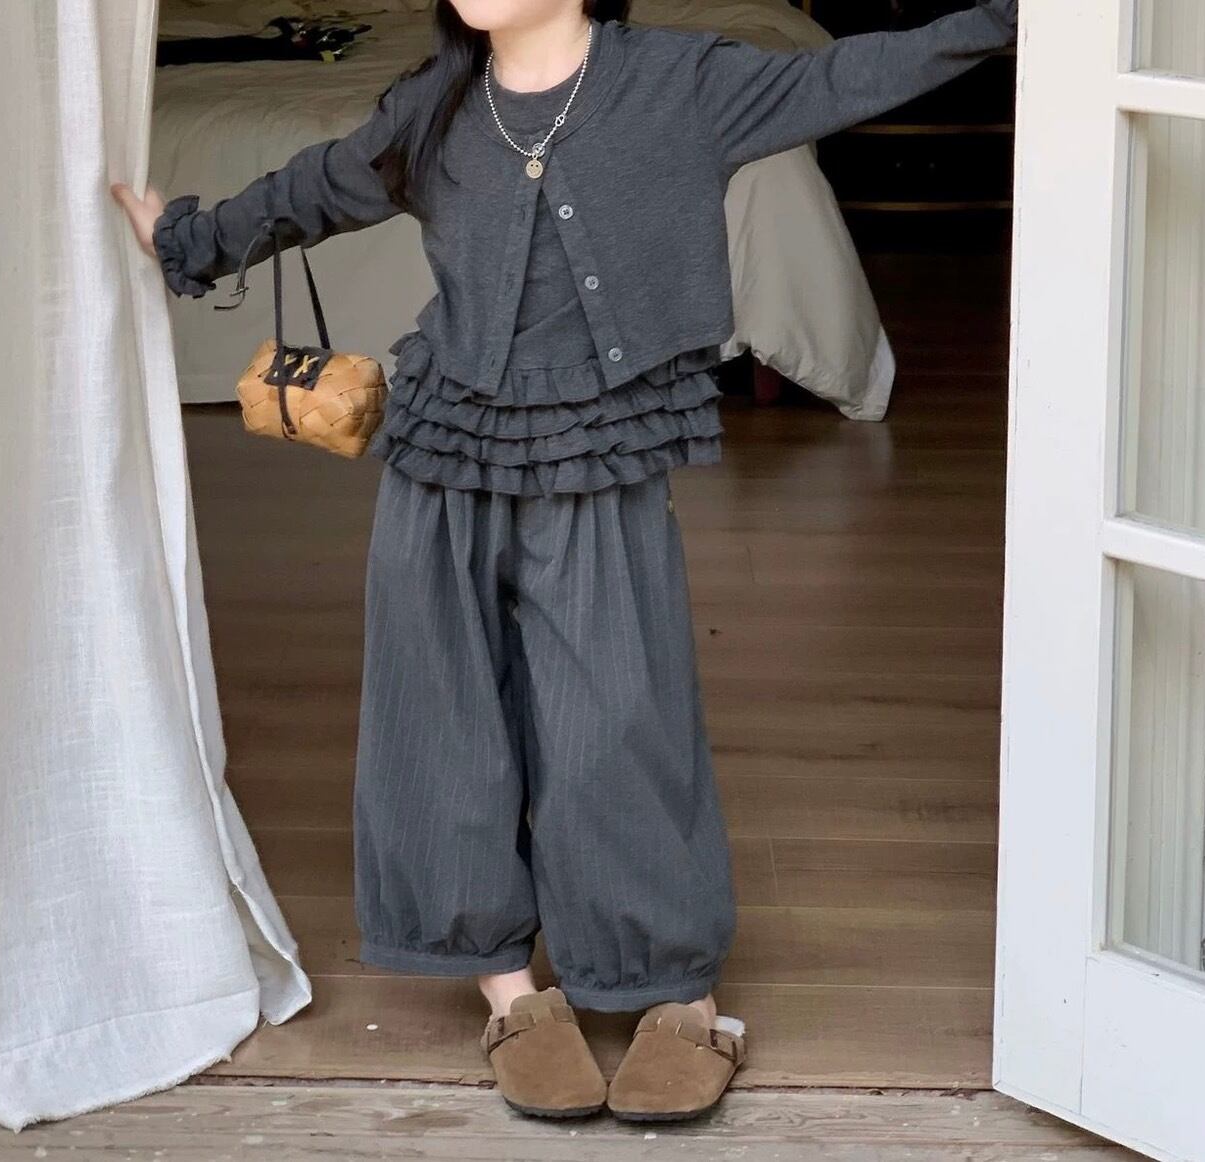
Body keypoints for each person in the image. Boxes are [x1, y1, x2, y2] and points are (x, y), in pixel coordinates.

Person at [114, 0, 1017, 1122]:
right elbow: (317, 187)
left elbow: (851, 76)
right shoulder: (433, 105)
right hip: (445, 446)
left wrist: (1017, 20)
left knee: (617, 711)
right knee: (440, 711)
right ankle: (507, 986)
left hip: (599, 450)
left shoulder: (682, 83)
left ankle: (674, 986)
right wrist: (185, 238)